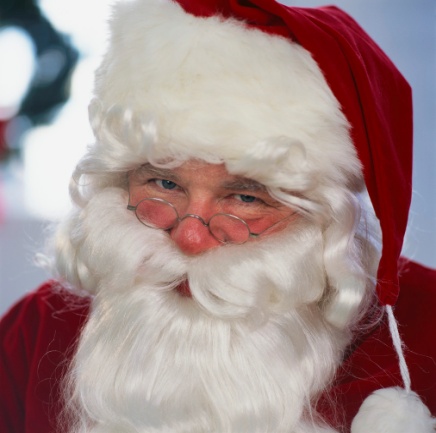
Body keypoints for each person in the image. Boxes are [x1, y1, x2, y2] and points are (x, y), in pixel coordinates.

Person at [1, 0, 435, 432]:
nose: (189, 237)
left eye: (245, 198)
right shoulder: (34, 332)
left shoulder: (425, 327)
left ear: (324, 214)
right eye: (164, 184)